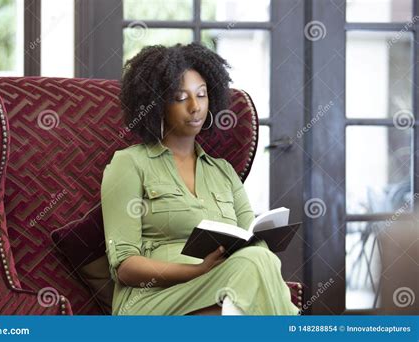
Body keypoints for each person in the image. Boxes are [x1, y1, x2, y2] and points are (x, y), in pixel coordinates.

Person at [101, 42, 299, 315]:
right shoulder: (129, 164)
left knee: (258, 257)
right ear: (157, 104)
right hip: (151, 300)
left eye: (202, 94)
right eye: (181, 97)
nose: (195, 107)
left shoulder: (224, 173)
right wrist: (196, 270)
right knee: (254, 266)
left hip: (222, 285)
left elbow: (252, 241)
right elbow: (125, 267)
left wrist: (262, 240)